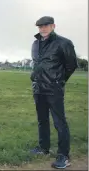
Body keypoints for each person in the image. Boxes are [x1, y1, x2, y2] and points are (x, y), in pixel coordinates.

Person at [30, 16, 78, 169]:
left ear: (53, 26)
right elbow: (38, 64)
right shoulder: (35, 44)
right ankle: (43, 148)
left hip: (54, 89)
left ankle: (63, 155)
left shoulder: (64, 43)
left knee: (59, 122)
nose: (43, 28)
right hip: (38, 89)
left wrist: (59, 81)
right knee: (42, 120)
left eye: (46, 26)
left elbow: (71, 65)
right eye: (40, 26)